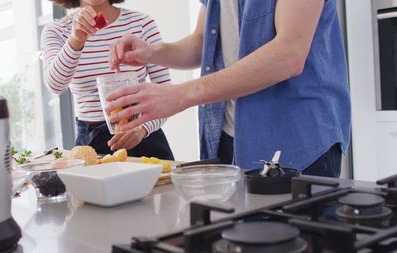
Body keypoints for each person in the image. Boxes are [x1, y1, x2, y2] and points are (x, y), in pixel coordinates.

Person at [105, 0, 351, 177]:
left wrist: (182, 95)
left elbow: (289, 54)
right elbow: (203, 42)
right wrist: (152, 52)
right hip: (230, 138)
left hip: (297, 139)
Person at [41, 0, 174, 160]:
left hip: (144, 139)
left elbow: (167, 94)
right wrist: (76, 40)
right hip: (91, 145)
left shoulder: (142, 23)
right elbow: (55, 85)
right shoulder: (57, 31)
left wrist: (143, 128)